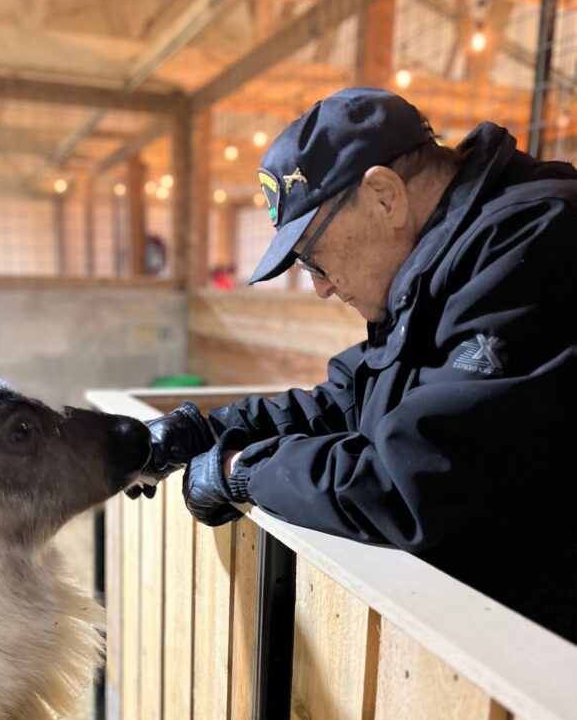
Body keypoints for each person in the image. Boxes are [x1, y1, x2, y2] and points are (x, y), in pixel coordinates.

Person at [130, 87, 577, 642]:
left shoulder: (538, 238)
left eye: (313, 258)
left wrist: (242, 471)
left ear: (384, 195)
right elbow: (351, 401)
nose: (318, 287)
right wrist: (209, 429)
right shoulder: (434, 265)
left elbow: (417, 481)